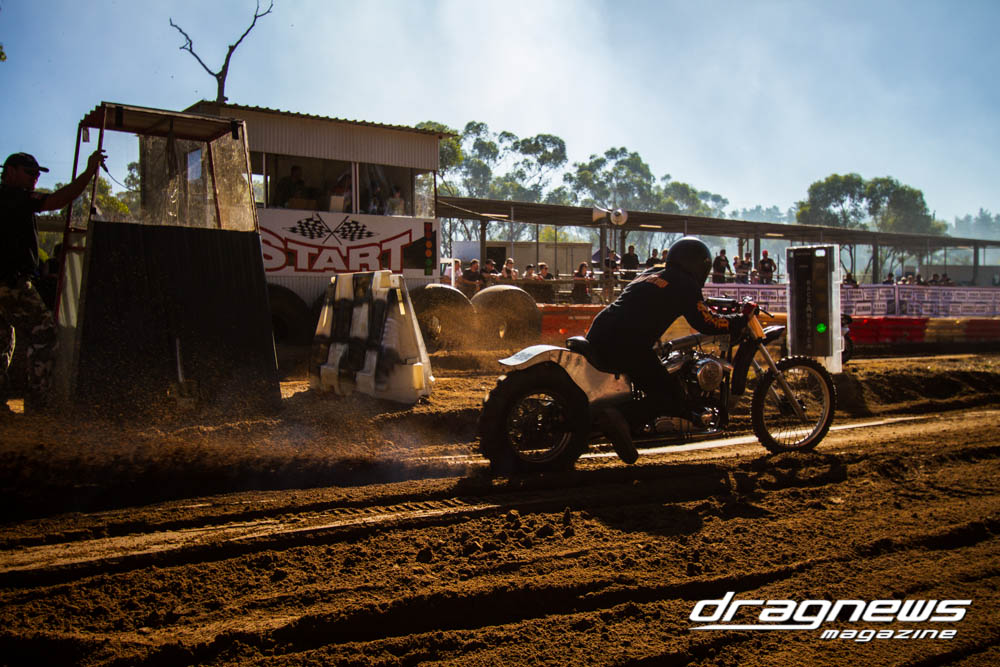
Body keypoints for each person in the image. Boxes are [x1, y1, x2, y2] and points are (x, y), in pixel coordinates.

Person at [585, 237, 748, 463]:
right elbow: (707, 323)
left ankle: (621, 421)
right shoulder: (686, 284)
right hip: (626, 343)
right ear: (698, 265)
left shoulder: (653, 272)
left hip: (600, 332)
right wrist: (740, 319)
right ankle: (618, 418)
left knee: (653, 376)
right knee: (670, 397)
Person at [2, 149, 106, 413]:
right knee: (44, 332)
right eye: (29, 173)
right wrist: (89, 172)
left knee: (3, 337)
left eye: (37, 174)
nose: (34, 178)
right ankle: (38, 403)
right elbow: (60, 199)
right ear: (10, 172)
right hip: (10, 283)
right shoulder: (15, 197)